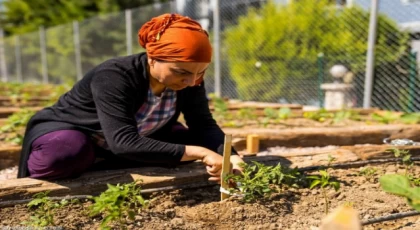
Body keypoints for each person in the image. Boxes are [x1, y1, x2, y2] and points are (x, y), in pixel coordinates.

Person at [17, 13, 244, 182]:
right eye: (181, 72)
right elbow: (123, 142)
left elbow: (202, 124)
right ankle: (92, 159)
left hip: (130, 139)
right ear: (153, 58)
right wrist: (202, 152)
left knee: (190, 141)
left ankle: (107, 160)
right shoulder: (115, 75)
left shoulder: (192, 80)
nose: (191, 81)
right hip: (80, 134)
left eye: (200, 72)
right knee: (67, 153)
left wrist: (231, 157)